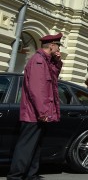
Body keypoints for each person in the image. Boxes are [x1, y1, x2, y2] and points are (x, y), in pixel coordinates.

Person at [7, 33, 63, 180]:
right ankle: (16, 176)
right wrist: (43, 112)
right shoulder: (38, 61)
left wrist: (58, 61)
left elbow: (54, 76)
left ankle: (31, 175)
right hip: (34, 113)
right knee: (26, 146)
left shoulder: (46, 61)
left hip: (37, 113)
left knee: (35, 145)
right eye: (57, 45)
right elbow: (37, 90)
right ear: (52, 45)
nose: (58, 48)